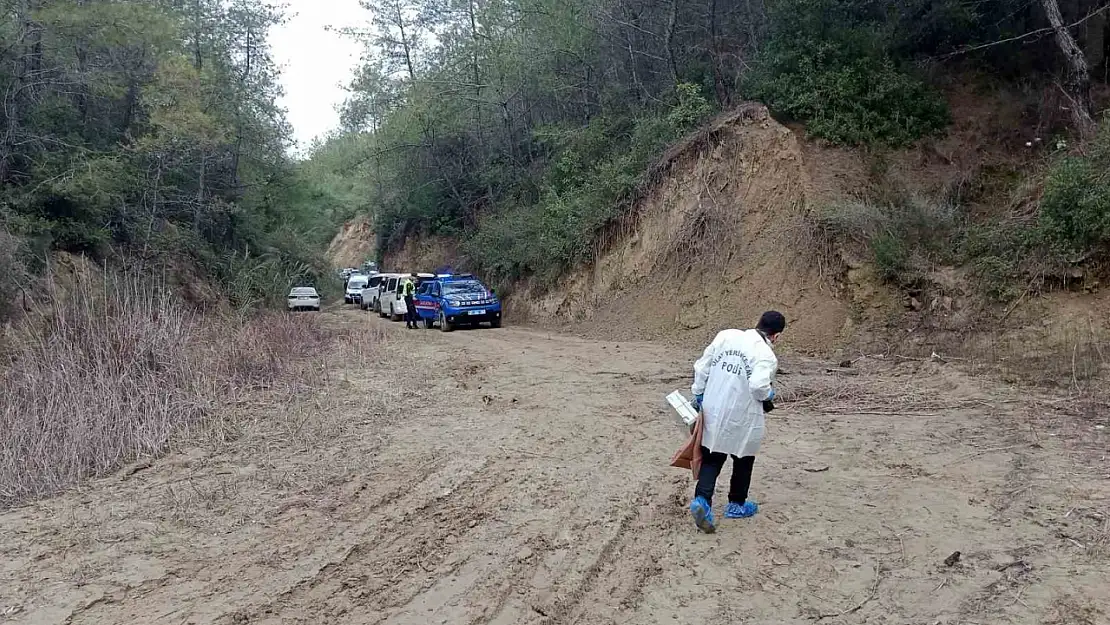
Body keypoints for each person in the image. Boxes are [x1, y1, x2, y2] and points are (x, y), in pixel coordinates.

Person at [687, 310, 785, 533]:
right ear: (776, 336)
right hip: (743, 414)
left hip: (714, 407)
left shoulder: (726, 336)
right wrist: (768, 395)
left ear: (757, 323)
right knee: (743, 457)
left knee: (712, 456)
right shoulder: (765, 354)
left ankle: (701, 501)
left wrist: (699, 393)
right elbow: (759, 386)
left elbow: (702, 367)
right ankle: (736, 504)